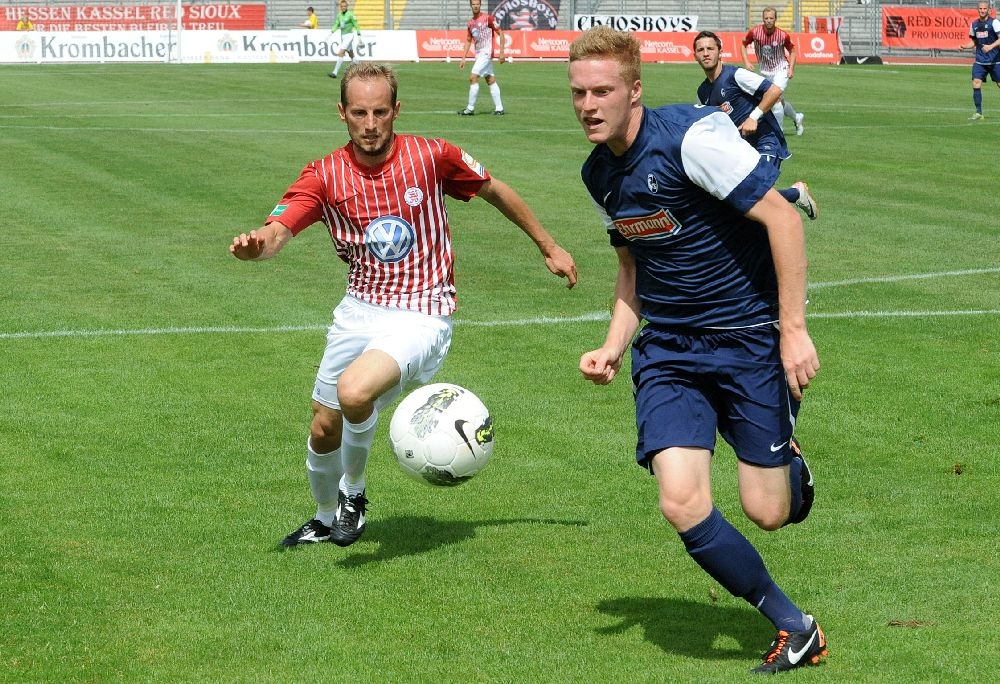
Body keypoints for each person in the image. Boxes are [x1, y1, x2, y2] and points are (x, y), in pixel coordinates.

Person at [230, 62, 577, 549]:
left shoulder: (432, 156)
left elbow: (494, 189)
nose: (369, 124)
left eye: (379, 112)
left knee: (354, 393)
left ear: (396, 110)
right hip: (359, 309)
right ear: (342, 113)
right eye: (358, 113)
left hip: (422, 308)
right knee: (324, 426)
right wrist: (256, 246)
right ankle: (325, 517)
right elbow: (278, 232)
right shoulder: (324, 174)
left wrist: (547, 244)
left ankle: (354, 496)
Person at [568, 27, 826, 674]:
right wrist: (613, 345)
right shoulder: (599, 174)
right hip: (670, 354)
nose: (589, 105)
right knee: (680, 500)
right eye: (578, 93)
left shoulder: (692, 138)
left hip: (745, 340)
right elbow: (633, 270)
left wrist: (791, 331)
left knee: (770, 511)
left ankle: (790, 461)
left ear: (635, 91)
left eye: (603, 91)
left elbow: (783, 218)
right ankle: (795, 626)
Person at [694, 31, 818, 220]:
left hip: (765, 141)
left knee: (755, 194)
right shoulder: (703, 92)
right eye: (700, 50)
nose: (706, 53)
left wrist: (754, 116)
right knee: (736, 199)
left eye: (710, 48)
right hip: (739, 152)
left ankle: (795, 195)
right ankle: (795, 194)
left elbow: (774, 90)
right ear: (695, 55)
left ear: (720, 52)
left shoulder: (736, 75)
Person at [741, 7, 805, 136]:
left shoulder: (782, 35)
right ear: (763, 19)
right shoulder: (755, 32)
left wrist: (791, 68)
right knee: (777, 101)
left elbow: (792, 50)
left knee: (774, 98)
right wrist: (746, 62)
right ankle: (797, 118)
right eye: (766, 18)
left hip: (781, 69)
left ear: (775, 19)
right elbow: (743, 44)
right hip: (765, 71)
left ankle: (778, 133)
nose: (769, 21)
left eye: (771, 18)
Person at [457, 0, 506, 116]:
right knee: (490, 79)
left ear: (480, 5)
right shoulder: (470, 23)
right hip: (479, 54)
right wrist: (463, 58)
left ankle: (470, 109)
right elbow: (469, 40)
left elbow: (501, 33)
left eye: (477, 4)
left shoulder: (488, 19)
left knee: (473, 77)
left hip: (486, 53)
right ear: (470, 6)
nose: (475, 6)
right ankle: (499, 109)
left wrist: (502, 52)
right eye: (473, 4)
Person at [958, 1, 1000, 120]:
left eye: (984, 8)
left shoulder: (995, 23)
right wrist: (965, 46)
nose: (982, 10)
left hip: (995, 60)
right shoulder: (974, 24)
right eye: (980, 8)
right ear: (977, 9)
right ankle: (978, 113)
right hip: (980, 61)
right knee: (976, 83)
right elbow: (974, 42)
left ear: (989, 9)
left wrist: (991, 46)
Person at [328, 0, 362, 79]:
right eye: (342, 6)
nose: (343, 7)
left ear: (347, 7)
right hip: (343, 36)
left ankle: (335, 72)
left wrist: (359, 34)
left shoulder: (350, 14)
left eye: (344, 6)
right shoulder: (339, 15)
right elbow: (336, 24)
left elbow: (356, 25)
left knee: (341, 52)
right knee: (350, 53)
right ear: (340, 7)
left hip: (349, 35)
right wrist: (331, 32)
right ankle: (357, 64)